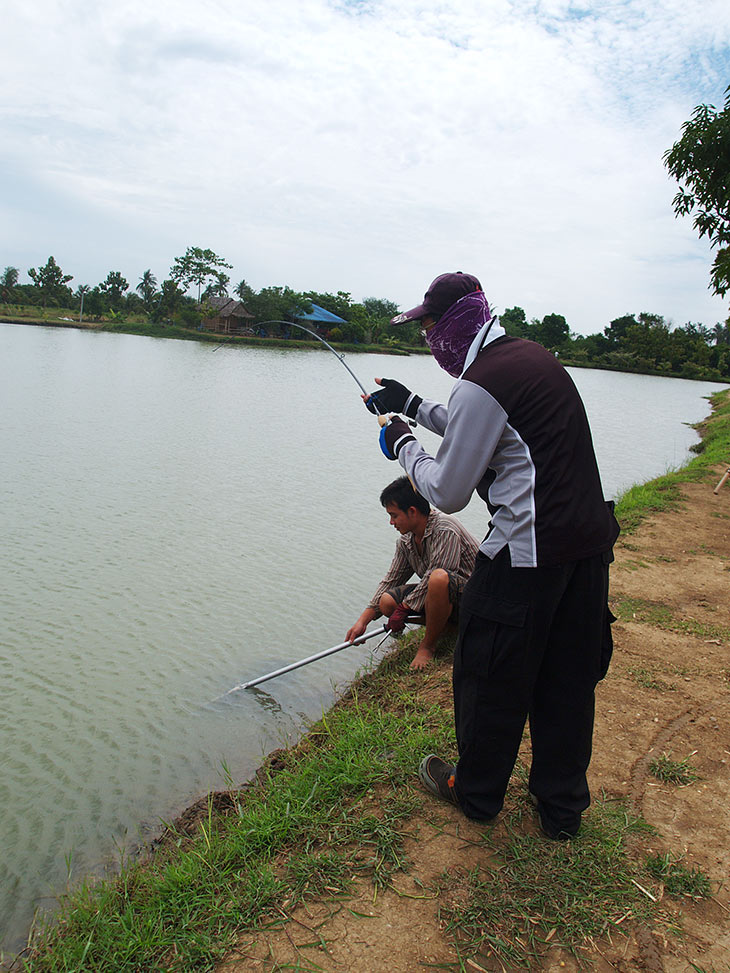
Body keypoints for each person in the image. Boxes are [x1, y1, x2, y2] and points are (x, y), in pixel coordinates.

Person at [368, 271, 619, 839]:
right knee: (566, 680)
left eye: (430, 325)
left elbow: (449, 489)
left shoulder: (482, 383)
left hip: (527, 558)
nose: (429, 338)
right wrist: (411, 403)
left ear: (457, 321)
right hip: (587, 551)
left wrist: (403, 445)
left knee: (487, 673)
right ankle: (561, 811)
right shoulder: (530, 358)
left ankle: (475, 793)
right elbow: (484, 427)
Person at [346, 476, 479, 670]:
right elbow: (391, 579)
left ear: (412, 512)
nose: (391, 522)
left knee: (438, 578)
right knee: (387, 602)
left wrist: (405, 608)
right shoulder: (406, 542)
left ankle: (428, 647)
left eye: (394, 515)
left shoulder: (445, 528)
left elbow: (440, 573)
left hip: (475, 596)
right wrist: (362, 622)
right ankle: (449, 628)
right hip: (445, 596)